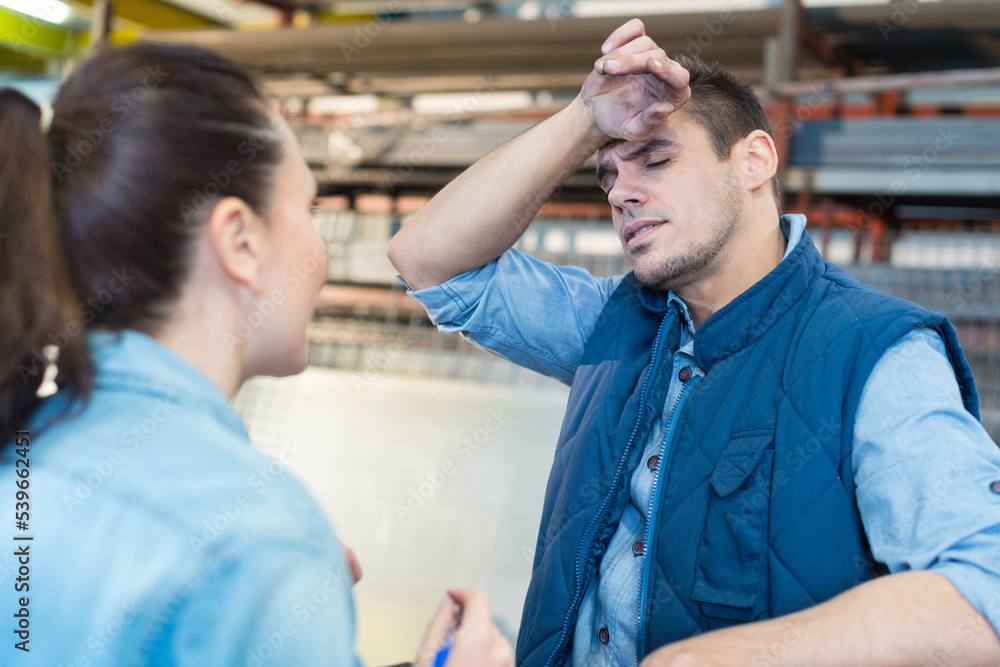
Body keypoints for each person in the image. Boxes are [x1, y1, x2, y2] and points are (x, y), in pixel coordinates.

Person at [388, 18, 1000, 667]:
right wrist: (582, 118)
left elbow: (983, 593)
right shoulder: (613, 325)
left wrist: (704, 659)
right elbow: (428, 262)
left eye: (655, 159)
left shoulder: (875, 354)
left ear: (755, 161)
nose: (622, 192)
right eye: (608, 177)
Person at [0, 43, 514, 667]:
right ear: (240, 241)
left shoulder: (25, 443)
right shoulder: (256, 537)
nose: (321, 255)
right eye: (309, 208)